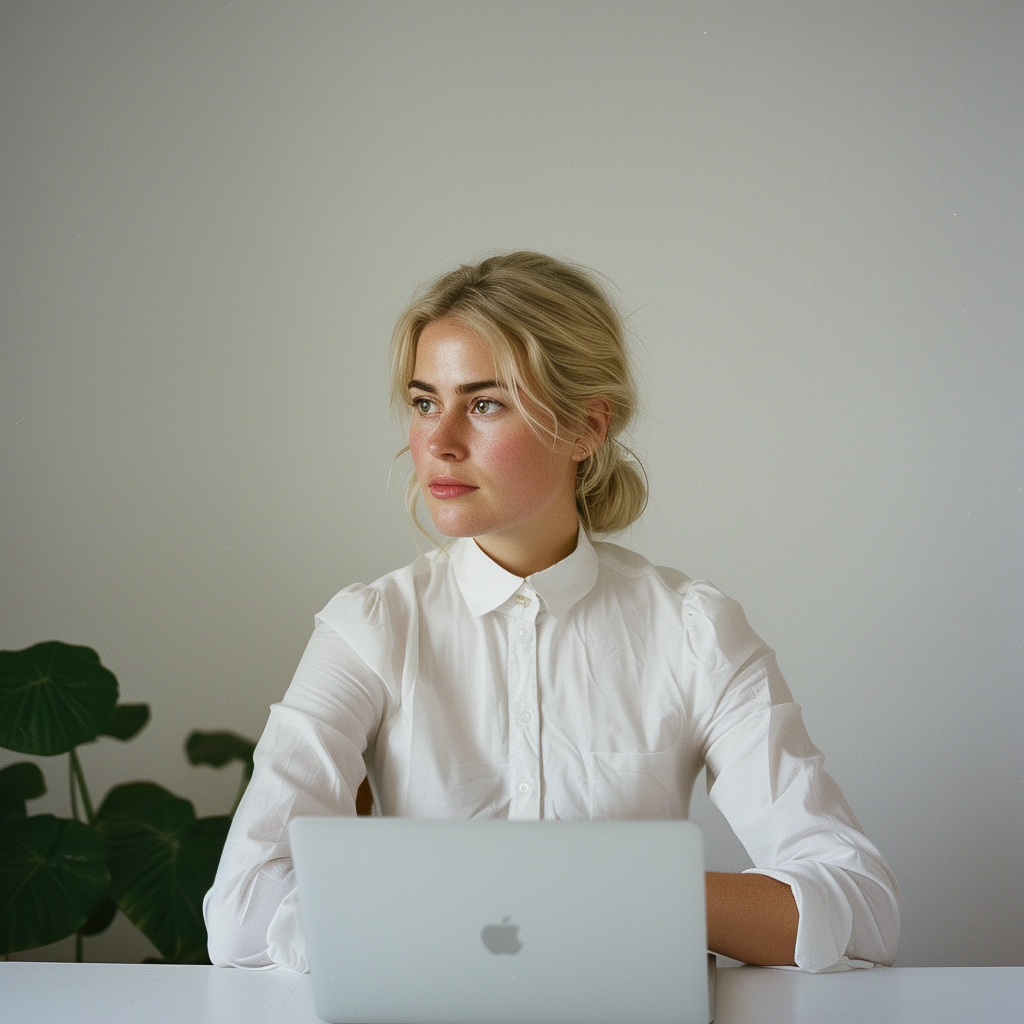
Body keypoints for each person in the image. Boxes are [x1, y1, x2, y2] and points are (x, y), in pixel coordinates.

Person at [203, 251, 900, 973]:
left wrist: (613, 894)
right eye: (422, 402)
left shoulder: (696, 632)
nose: (438, 442)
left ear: (585, 427)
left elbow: (862, 908)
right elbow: (243, 911)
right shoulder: (368, 629)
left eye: (484, 403)